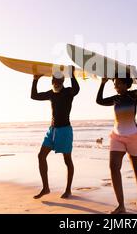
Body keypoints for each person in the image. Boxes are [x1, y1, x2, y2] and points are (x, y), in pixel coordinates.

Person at [96, 74, 137, 214]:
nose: (115, 87)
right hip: (117, 137)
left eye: (118, 84)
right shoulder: (115, 99)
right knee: (113, 167)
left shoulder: (133, 96)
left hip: (133, 137)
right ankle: (121, 206)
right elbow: (99, 100)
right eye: (115, 84)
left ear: (126, 84)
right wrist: (103, 83)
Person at [31, 65, 79, 199]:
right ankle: (45, 188)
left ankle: (68, 189)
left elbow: (76, 89)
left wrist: (72, 75)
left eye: (59, 81)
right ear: (52, 81)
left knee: (67, 160)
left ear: (63, 82)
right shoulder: (51, 93)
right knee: (41, 156)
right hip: (51, 130)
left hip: (65, 131)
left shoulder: (69, 92)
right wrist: (35, 80)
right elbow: (34, 96)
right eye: (54, 81)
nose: (56, 84)